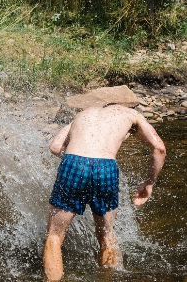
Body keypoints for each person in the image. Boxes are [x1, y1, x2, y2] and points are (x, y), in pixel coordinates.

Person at [43, 103, 166, 281]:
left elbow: (55, 146)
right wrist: (149, 183)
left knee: (54, 236)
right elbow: (159, 148)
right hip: (105, 168)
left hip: (73, 162)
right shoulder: (133, 114)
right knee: (106, 235)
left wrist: (76, 162)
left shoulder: (84, 113)